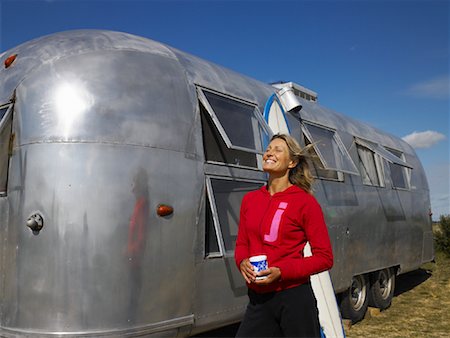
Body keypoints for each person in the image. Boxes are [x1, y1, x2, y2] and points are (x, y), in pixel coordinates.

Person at [234, 134, 334, 337]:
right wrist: (242, 261)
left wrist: (282, 271)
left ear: (292, 162)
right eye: (268, 148)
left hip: (294, 298)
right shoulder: (250, 200)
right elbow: (242, 243)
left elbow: (325, 258)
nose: (269, 152)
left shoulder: (305, 203)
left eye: (278, 149)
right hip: (258, 299)